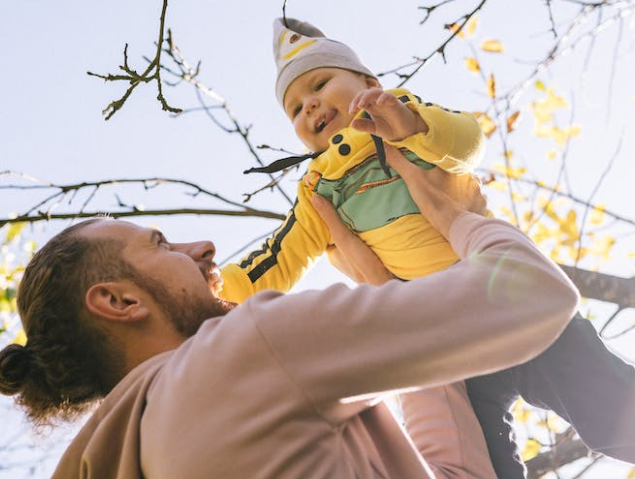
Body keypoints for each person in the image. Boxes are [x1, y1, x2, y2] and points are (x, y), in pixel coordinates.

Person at [219, 17, 635, 478]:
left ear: (369, 83)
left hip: (505, 297)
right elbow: (281, 256)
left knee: (609, 411)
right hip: (447, 339)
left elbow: (468, 140)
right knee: (481, 463)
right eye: (295, 109)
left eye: (319, 83)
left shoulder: (406, 120)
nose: (309, 104)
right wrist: (221, 288)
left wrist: (411, 124)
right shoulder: (318, 188)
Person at [0, 155, 580, 479]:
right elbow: (533, 295)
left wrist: (382, 289)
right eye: (161, 245)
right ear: (120, 302)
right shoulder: (243, 349)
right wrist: (453, 214)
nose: (202, 247)